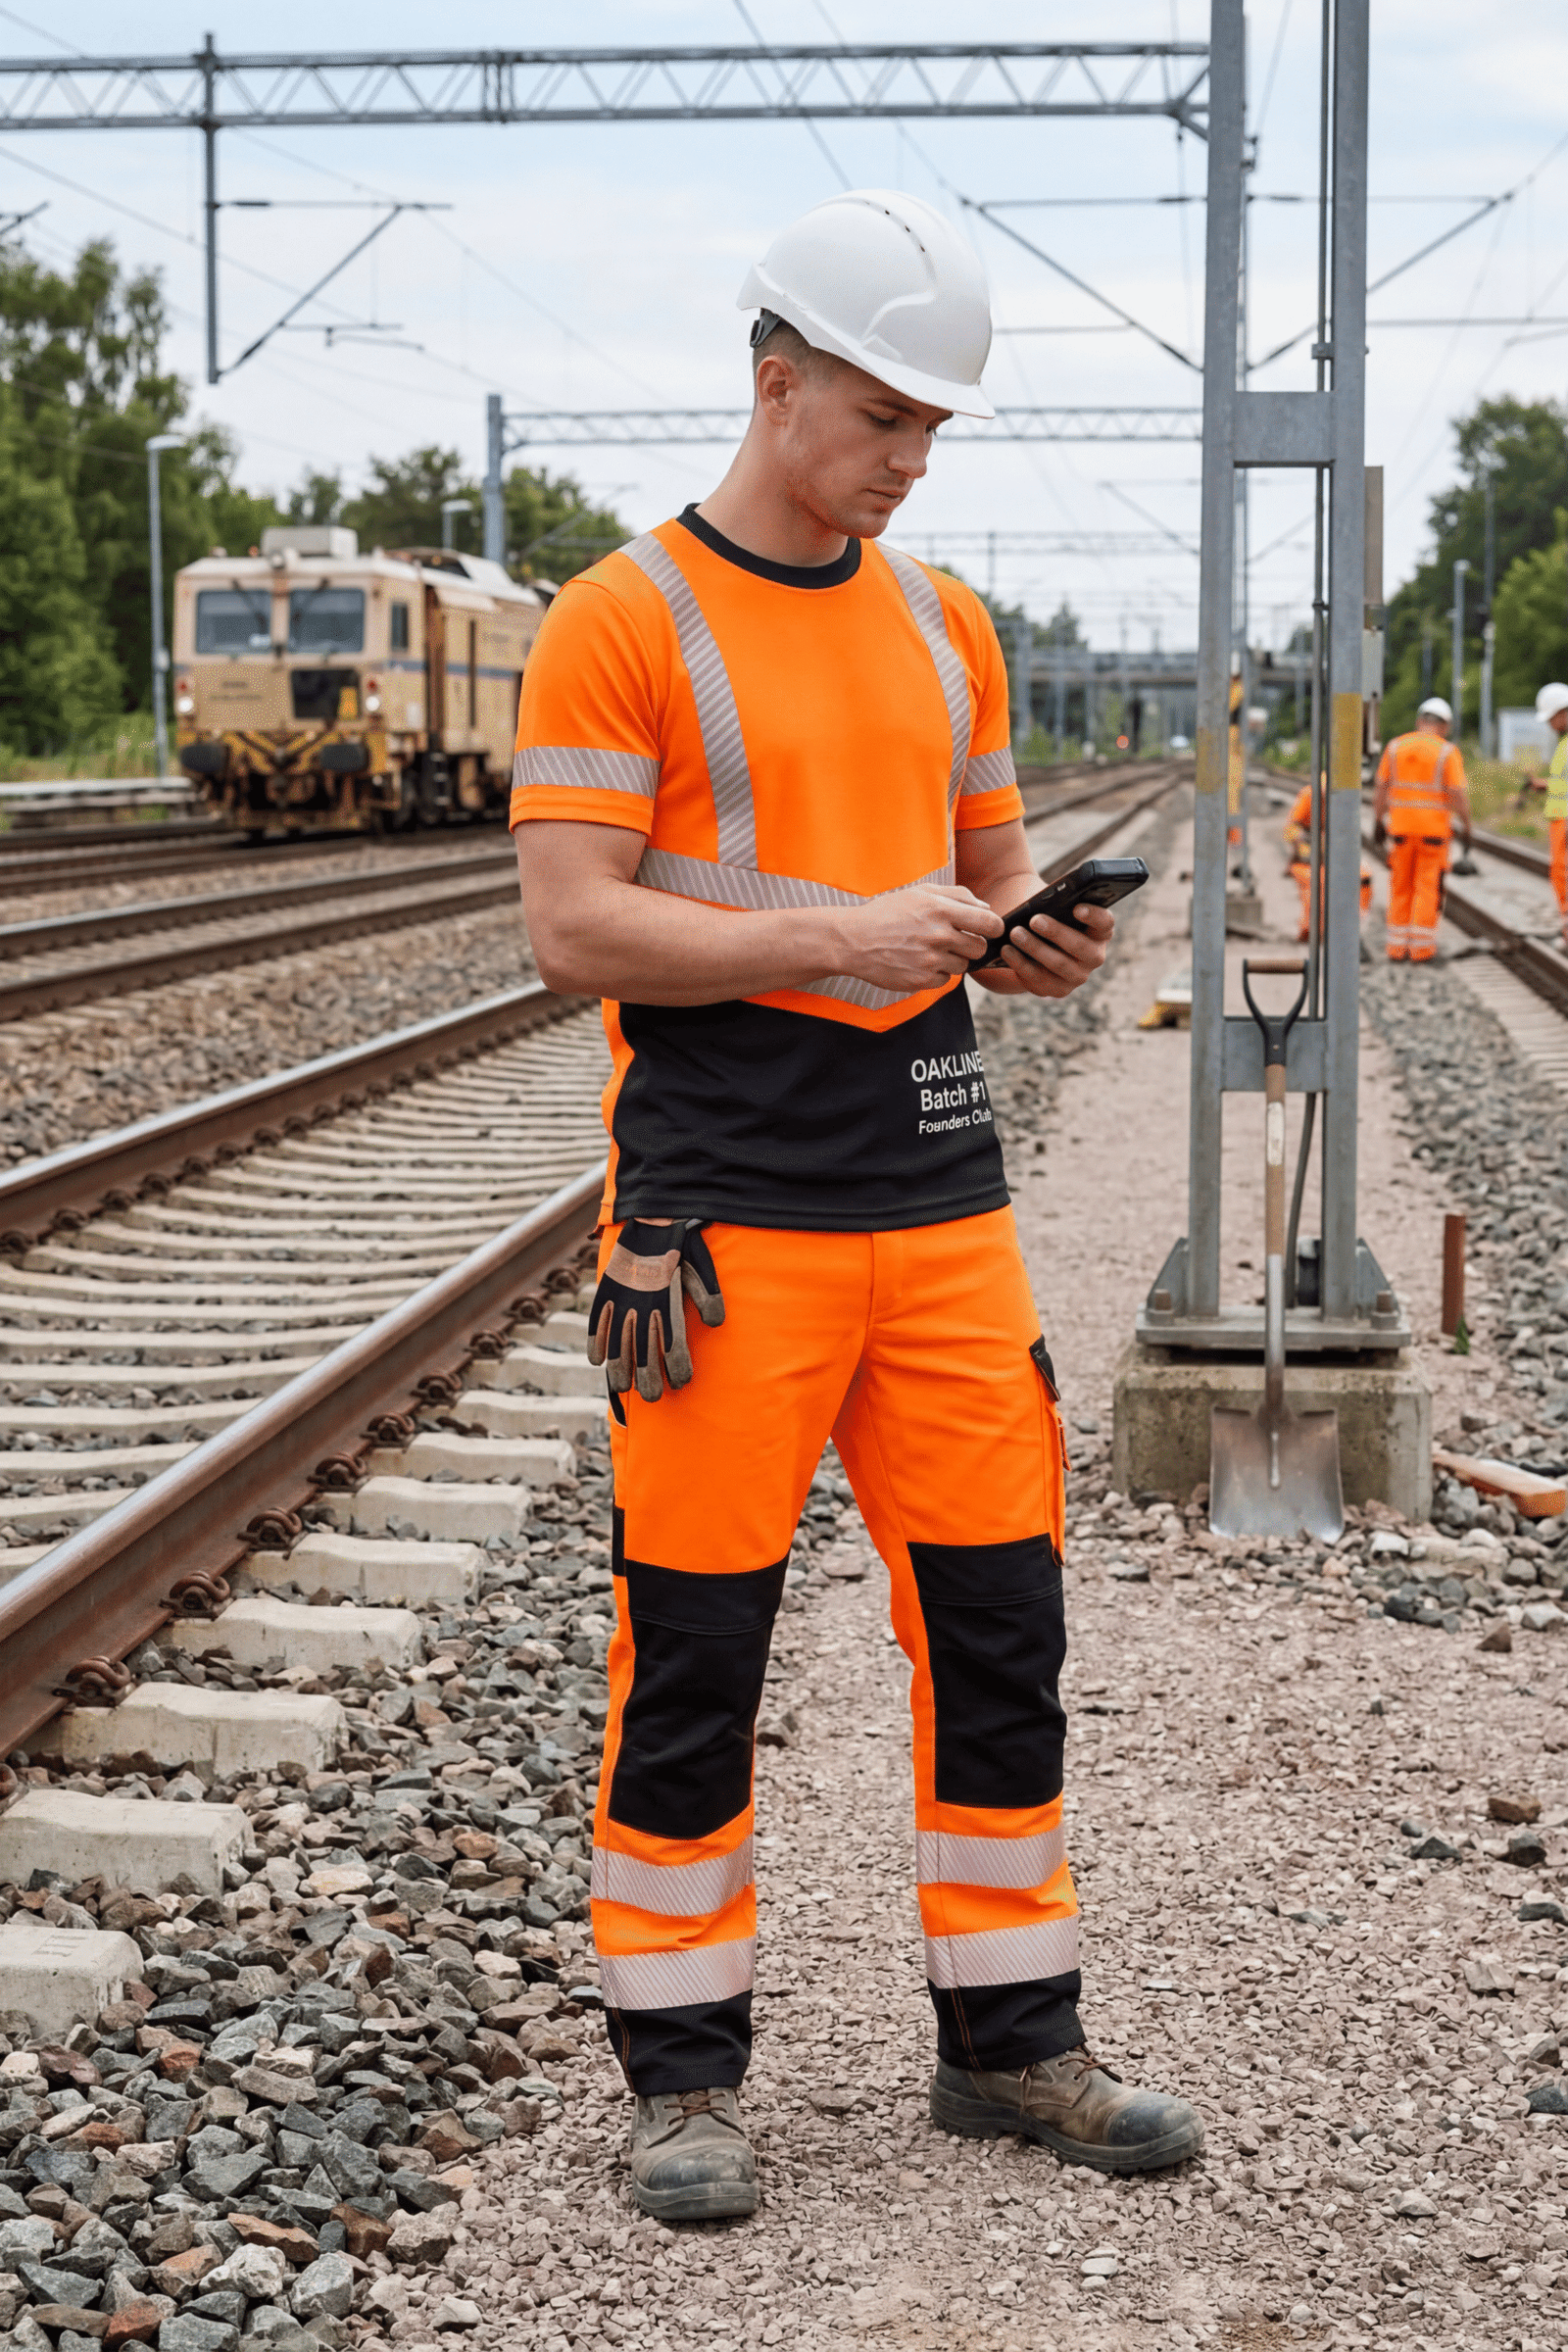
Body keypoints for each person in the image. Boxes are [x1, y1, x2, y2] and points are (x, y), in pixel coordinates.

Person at [511, 188, 1203, 2225]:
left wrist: (1024, 948)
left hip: (939, 1206)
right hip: (726, 1225)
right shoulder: (616, 619)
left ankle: (1009, 2042)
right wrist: (841, 929)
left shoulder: (946, 623)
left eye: (933, 433)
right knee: (693, 1650)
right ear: (774, 376)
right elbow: (569, 928)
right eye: (882, 419)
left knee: (999, 1627)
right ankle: (681, 2079)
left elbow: (969, 895)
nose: (907, 463)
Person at [1372, 696, 1473, 962]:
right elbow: (1457, 793)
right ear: (1446, 725)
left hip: (1401, 831)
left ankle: (1396, 947)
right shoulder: (1447, 752)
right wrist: (1467, 824)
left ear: (1420, 721)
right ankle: (1420, 949)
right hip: (1434, 835)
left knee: (1401, 886)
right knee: (1428, 888)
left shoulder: (1395, 747)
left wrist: (1378, 820)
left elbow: (1381, 787)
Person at [1284, 783, 1371, 942]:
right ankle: (1312, 929)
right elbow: (1291, 829)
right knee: (1317, 883)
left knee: (1364, 878)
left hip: (1333, 852)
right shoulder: (1308, 796)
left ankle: (1353, 925)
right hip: (1310, 855)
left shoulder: (1344, 801)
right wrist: (1305, 850)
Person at [1519, 681, 1568, 946]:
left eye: (1550, 719)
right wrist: (1543, 785)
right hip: (1560, 822)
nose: (1549, 725)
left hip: (1566, 823)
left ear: (1562, 713)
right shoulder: (1565, 745)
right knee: (1560, 876)